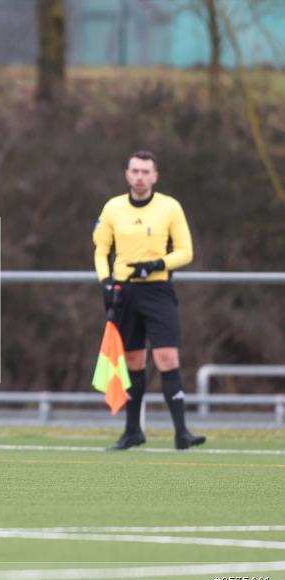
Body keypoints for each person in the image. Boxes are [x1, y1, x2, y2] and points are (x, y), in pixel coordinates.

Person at [93, 150, 206, 451]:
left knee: (167, 357)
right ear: (127, 174)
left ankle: (182, 432)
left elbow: (185, 251)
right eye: (135, 171)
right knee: (132, 361)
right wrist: (106, 282)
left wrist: (157, 264)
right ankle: (133, 431)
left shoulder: (169, 207)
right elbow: (101, 250)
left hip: (157, 292)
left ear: (155, 176)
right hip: (124, 292)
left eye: (146, 172)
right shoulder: (113, 208)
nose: (140, 176)